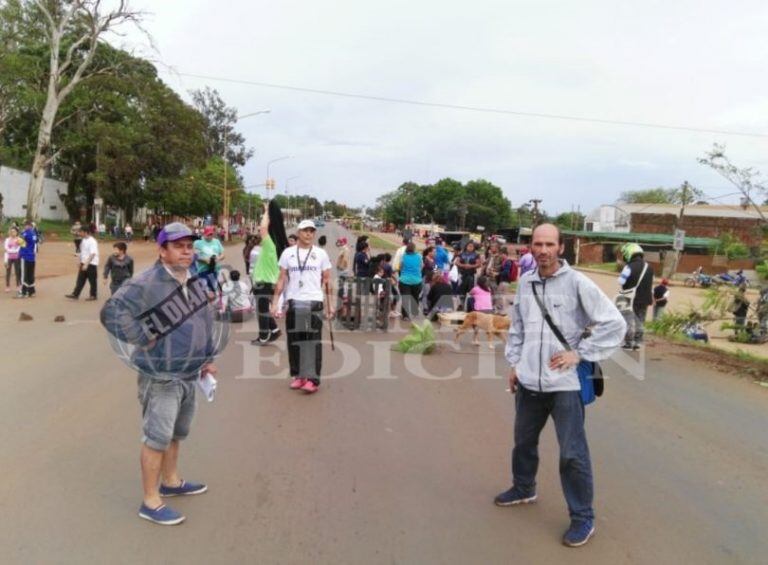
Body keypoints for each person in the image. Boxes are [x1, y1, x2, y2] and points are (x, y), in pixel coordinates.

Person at [497, 223, 626, 548]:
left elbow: (614, 323)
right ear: (530, 247)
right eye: (537, 244)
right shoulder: (525, 283)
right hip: (528, 382)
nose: (542, 250)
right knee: (523, 442)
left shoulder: (578, 283)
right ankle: (524, 488)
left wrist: (579, 354)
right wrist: (515, 363)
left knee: (572, 454)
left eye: (549, 244)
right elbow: (519, 328)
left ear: (561, 248)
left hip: (565, 385)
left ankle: (583, 518)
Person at [100, 222, 222, 526]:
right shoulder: (147, 283)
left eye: (189, 246)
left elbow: (203, 319)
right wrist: (142, 336)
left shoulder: (192, 279)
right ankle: (151, 501)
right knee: (157, 436)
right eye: (178, 246)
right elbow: (111, 312)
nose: (186, 251)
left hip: (189, 372)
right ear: (162, 250)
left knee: (176, 433)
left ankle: (171, 481)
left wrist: (206, 357)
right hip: (161, 374)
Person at [271, 219, 333, 394]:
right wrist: (275, 302)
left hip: (314, 302)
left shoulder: (321, 254)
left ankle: (313, 379)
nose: (309, 234)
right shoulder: (288, 253)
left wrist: (330, 305)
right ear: (298, 232)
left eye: (311, 231)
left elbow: (327, 280)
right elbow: (281, 278)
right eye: (305, 231)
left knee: (312, 342)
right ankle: (299, 375)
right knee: (295, 341)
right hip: (294, 302)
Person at [251, 203, 282, 345]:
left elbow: (263, 228)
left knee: (262, 311)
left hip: (264, 283)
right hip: (267, 283)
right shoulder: (275, 248)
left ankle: (263, 337)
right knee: (264, 309)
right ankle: (274, 330)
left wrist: (267, 211)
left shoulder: (270, 246)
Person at [618, 243, 653, 350]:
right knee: (640, 320)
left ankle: (628, 343)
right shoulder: (649, 267)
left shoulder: (628, 267)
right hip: (645, 299)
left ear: (629, 253)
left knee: (628, 320)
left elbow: (621, 281)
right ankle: (638, 342)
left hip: (631, 298)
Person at [65, 224, 99, 301]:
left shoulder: (92, 241)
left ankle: (93, 295)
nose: (79, 234)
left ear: (85, 232)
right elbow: (82, 252)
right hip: (84, 262)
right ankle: (75, 294)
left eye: (80, 232)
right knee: (80, 279)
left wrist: (86, 264)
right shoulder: (83, 240)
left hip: (91, 263)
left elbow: (93, 253)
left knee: (92, 280)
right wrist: (80, 261)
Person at [194, 226, 225, 294]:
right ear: (204, 234)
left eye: (211, 234)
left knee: (213, 290)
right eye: (208, 234)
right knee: (204, 291)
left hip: (215, 269)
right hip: (203, 270)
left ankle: (213, 303)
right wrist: (204, 260)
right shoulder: (198, 243)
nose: (210, 236)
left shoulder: (217, 241)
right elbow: (194, 256)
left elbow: (223, 255)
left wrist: (218, 258)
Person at [397, 242, 423, 320]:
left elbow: (400, 267)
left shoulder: (403, 256)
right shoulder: (419, 256)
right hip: (417, 280)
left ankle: (405, 316)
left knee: (405, 298)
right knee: (415, 297)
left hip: (404, 280)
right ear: (414, 249)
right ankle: (414, 312)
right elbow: (421, 266)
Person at [456, 241, 481, 310]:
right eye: (469, 246)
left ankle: (470, 307)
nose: (470, 248)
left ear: (474, 248)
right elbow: (456, 262)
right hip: (462, 274)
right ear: (466, 246)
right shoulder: (461, 254)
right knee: (461, 291)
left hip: (471, 275)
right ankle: (461, 304)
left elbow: (479, 264)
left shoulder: (476, 255)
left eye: (472, 246)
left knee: (471, 291)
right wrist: (463, 265)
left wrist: (471, 266)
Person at [17, 220, 38, 298]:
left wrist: (20, 236)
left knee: (23, 275)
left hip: (25, 256)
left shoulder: (25, 233)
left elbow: (18, 242)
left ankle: (23, 292)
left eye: (25, 225)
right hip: (32, 257)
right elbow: (35, 242)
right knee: (30, 274)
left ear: (29, 225)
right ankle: (31, 291)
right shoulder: (34, 233)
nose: (24, 226)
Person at [4, 227, 23, 293]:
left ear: (17, 232)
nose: (13, 233)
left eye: (14, 231)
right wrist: (5, 260)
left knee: (17, 272)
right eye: (11, 232)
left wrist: (12, 251)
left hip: (17, 258)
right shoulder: (7, 240)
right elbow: (6, 249)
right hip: (9, 258)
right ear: (10, 232)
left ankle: (18, 285)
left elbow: (20, 248)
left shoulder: (19, 239)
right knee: (8, 272)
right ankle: (7, 286)